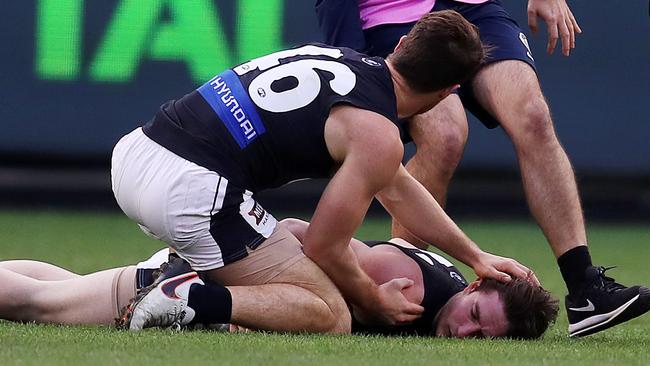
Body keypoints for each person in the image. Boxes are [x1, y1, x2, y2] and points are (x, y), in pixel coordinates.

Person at [110, 10, 537, 334]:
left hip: (137, 151)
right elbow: (324, 246)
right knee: (329, 312)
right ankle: (188, 298)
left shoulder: (340, 59)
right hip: (191, 188)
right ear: (449, 93)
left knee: (76, 298)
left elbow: (399, 188)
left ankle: (55, 290)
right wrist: (373, 299)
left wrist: (476, 256)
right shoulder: (379, 134)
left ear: (403, 43)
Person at [314, 0, 650, 337]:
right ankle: (404, 286)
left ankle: (586, 290)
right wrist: (350, 57)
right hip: (391, 15)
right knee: (445, 135)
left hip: (471, 8)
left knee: (533, 116)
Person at [0, 219, 559, 339]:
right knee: (40, 306)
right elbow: (301, 234)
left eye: (484, 338)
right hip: (198, 285)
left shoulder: (442, 290)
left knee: (61, 285)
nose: (466, 334)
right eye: (477, 318)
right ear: (474, 287)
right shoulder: (409, 285)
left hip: (210, 277)